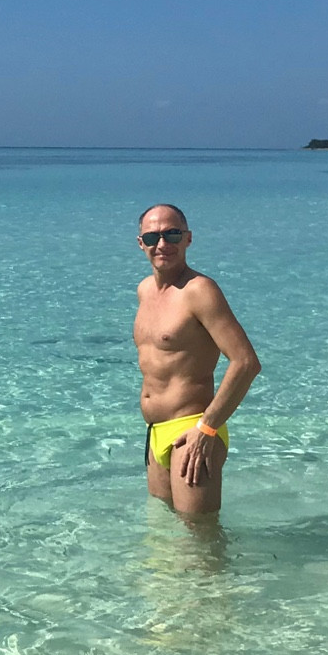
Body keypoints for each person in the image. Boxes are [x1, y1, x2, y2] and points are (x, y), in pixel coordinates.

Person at [132, 203, 261, 518]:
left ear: (188, 238)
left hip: (192, 431)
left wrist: (207, 429)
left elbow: (245, 362)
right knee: (162, 538)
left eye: (172, 234)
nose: (162, 244)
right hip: (155, 432)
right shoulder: (144, 290)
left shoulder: (200, 291)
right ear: (141, 243)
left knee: (200, 546)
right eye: (152, 237)